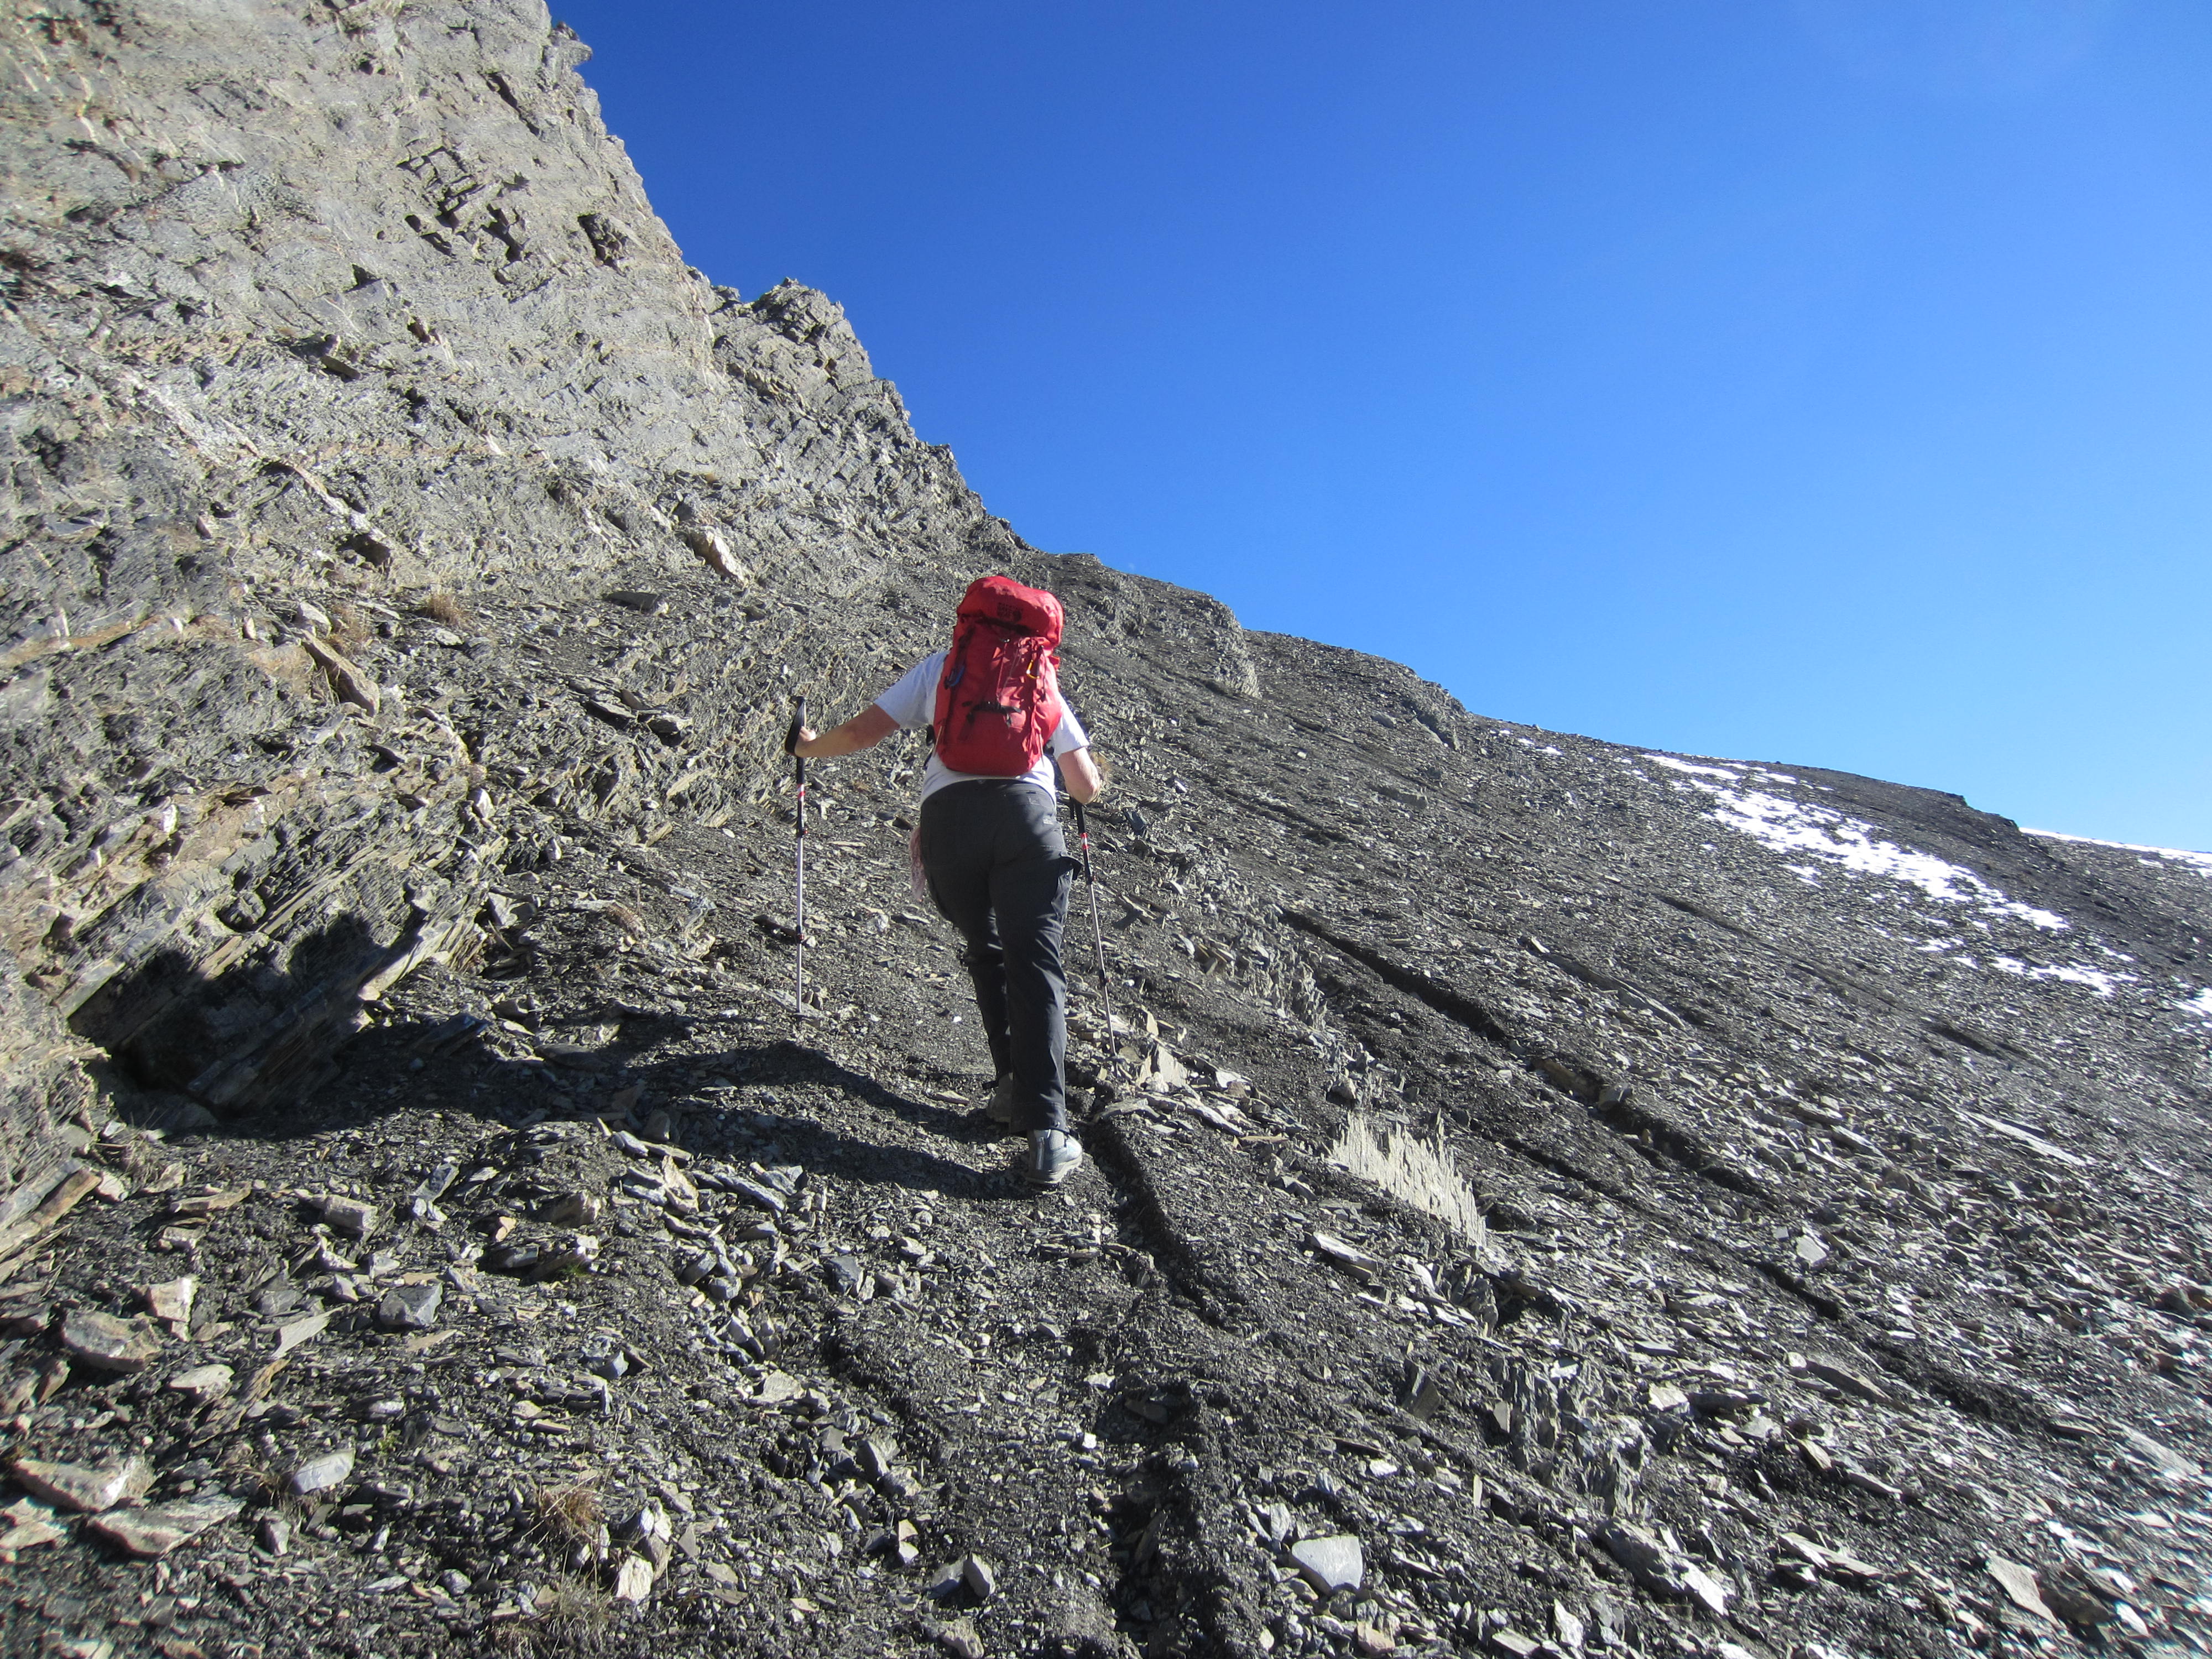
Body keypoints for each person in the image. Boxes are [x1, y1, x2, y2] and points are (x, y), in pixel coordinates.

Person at [791, 585, 1104, 1188]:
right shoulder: (1040, 676)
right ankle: (1047, 1134)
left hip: (949, 823)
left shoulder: (945, 666)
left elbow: (861, 733)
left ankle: (1009, 1086)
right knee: (1034, 962)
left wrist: (807, 746)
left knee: (986, 948)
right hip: (1026, 819)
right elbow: (1084, 786)